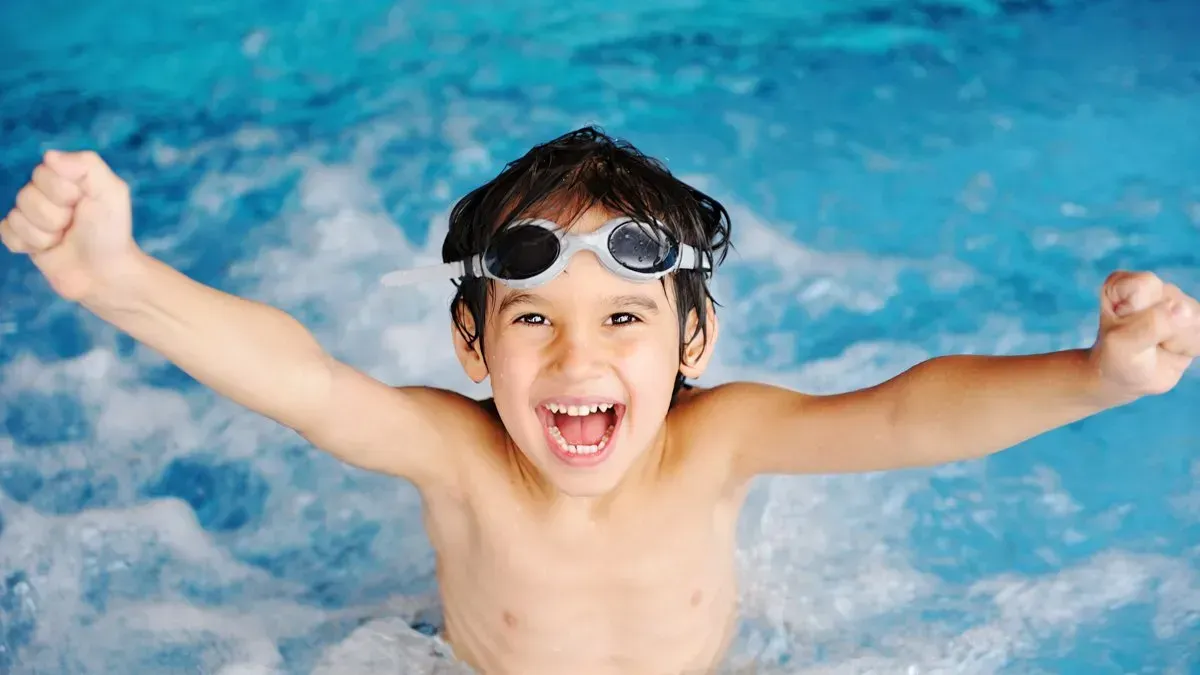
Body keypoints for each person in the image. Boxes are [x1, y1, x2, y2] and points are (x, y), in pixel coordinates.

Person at [2, 127, 1197, 675]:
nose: (579, 360)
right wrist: (121, 280)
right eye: (534, 321)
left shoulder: (717, 440)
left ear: (693, 341)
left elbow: (902, 418)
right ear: (474, 345)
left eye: (624, 319)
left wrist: (1091, 377)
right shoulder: (460, 455)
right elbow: (306, 384)